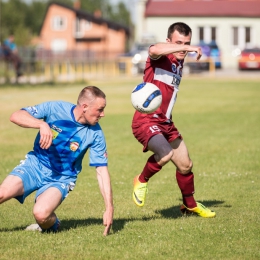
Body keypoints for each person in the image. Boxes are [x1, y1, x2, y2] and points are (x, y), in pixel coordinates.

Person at [0, 86, 114, 235]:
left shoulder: (96, 134)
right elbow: (16, 115)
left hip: (61, 178)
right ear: (85, 107)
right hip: (35, 165)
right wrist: (41, 124)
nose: (103, 114)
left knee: (41, 214)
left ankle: (54, 224)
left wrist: (109, 208)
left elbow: (101, 171)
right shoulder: (55, 108)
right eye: (100, 109)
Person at [132, 22, 216, 218]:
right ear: (170, 41)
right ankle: (141, 180)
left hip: (166, 122)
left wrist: (184, 49)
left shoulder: (178, 61)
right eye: (179, 43)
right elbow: (154, 48)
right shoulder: (160, 56)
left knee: (186, 165)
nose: (184, 47)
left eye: (187, 42)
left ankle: (190, 205)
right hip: (146, 120)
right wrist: (186, 47)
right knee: (165, 154)